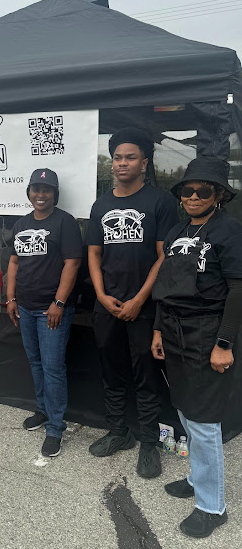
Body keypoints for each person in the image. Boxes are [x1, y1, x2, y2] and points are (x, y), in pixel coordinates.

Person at [151, 156, 242, 538]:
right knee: (185, 410)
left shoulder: (230, 231)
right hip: (173, 330)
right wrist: (157, 330)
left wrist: (224, 343)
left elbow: (238, 289)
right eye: (186, 190)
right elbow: (167, 287)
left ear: (218, 194)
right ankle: (196, 477)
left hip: (208, 333)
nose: (191, 196)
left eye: (201, 190)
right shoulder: (176, 231)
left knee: (203, 421)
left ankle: (211, 505)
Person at [85, 127, 179, 478]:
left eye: (130, 157)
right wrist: (100, 295)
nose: (122, 163)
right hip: (106, 305)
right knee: (112, 372)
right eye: (117, 158)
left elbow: (163, 257)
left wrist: (140, 299)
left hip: (144, 308)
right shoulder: (101, 204)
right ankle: (118, 432)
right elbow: (93, 255)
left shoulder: (160, 202)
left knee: (146, 376)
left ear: (144, 162)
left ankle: (149, 443)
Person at [6, 168, 82, 458]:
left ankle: (55, 428)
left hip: (51, 310)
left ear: (55, 194)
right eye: (36, 189)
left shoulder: (65, 223)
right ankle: (42, 410)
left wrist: (59, 303)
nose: (41, 194)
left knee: (52, 368)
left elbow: (72, 264)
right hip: (25, 306)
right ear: (29, 193)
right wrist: (10, 297)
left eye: (46, 190)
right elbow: (13, 262)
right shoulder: (21, 223)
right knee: (36, 362)